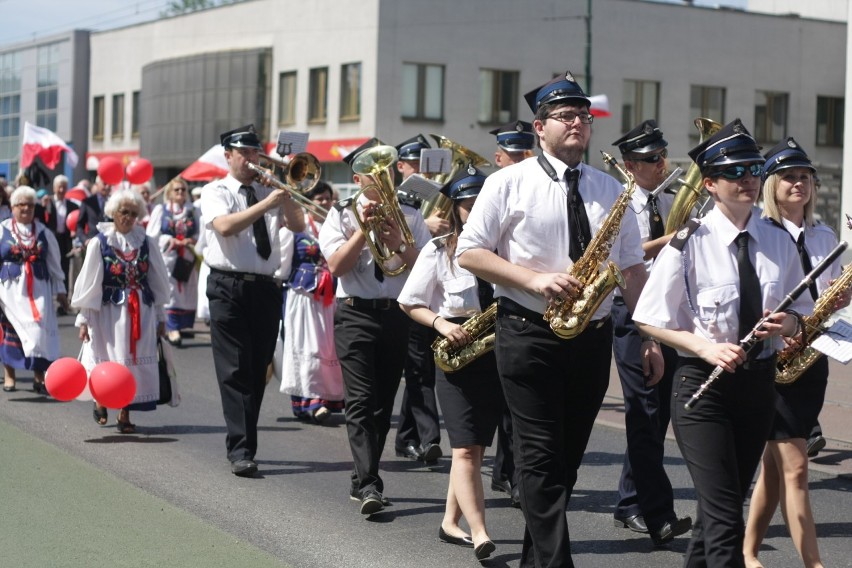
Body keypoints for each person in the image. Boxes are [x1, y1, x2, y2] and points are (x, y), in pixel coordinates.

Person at [456, 71, 661, 567]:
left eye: (583, 117)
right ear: (539, 126)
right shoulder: (508, 182)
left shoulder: (611, 188)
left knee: (565, 461)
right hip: (527, 332)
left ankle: (535, 557)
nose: (577, 124)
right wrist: (533, 280)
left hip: (590, 336)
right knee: (540, 456)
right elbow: (470, 253)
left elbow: (632, 268)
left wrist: (651, 337)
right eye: (565, 116)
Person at [632, 119, 813, 568]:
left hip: (758, 386)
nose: (748, 178)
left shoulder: (779, 240)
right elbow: (649, 318)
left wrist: (788, 323)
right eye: (735, 172)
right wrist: (704, 347)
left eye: (753, 169)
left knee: (725, 506)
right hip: (702, 387)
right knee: (724, 516)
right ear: (710, 183)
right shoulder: (688, 242)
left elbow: (803, 313)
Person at [743, 138, 847, 568]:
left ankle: (747, 552)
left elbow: (833, 297)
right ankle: (814, 563)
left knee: (774, 464)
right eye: (788, 176)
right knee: (796, 467)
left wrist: (841, 299)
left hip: (812, 359)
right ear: (770, 184)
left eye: (805, 176)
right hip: (772, 357)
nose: (798, 183)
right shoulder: (760, 232)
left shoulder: (825, 235)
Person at [318, 137, 430, 515]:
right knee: (361, 401)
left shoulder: (410, 213)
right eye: (372, 172)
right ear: (357, 176)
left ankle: (361, 475)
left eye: (384, 170)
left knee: (382, 405)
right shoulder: (341, 214)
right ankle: (369, 484)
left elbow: (425, 267)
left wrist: (399, 243)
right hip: (355, 313)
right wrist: (360, 234)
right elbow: (336, 266)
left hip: (396, 315)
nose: (380, 179)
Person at [399, 167, 504, 562]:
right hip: (457, 350)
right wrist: (441, 323)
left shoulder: (504, 245)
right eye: (467, 204)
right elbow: (410, 301)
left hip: (495, 350)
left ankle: (448, 521)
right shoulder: (438, 247)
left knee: (474, 450)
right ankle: (480, 532)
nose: (475, 209)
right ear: (456, 208)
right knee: (463, 449)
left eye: (481, 202)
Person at [199, 124, 304, 477]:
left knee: (257, 368)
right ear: (228, 155)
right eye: (243, 153)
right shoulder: (216, 191)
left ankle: (245, 441)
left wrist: (285, 195)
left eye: (254, 152)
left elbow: (298, 225)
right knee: (235, 368)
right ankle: (241, 448)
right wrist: (266, 203)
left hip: (265, 287)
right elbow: (226, 227)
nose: (250, 160)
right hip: (227, 285)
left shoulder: (268, 190)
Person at [609, 120, 692, 545]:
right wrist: (669, 240)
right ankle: (659, 512)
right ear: (628, 166)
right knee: (645, 409)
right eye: (650, 160)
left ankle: (629, 501)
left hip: (670, 312)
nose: (661, 164)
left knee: (655, 414)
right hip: (633, 312)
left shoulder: (672, 201)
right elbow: (624, 259)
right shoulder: (621, 206)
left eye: (662, 156)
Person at [71, 188, 170, 432]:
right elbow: (90, 283)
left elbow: (157, 282)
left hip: (141, 312)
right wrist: (84, 319)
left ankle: (125, 414)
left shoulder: (146, 242)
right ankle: (102, 398)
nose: (127, 217)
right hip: (109, 313)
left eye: (133, 213)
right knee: (109, 358)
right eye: (123, 212)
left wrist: (160, 316)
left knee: (132, 361)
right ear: (113, 213)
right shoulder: (100, 242)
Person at [485, 119, 537, 509]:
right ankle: (504, 468)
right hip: (487, 298)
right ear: (498, 156)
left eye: (524, 153)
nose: (518, 160)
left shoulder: (531, 186)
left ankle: (513, 472)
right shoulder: (495, 188)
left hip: (519, 304)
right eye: (512, 154)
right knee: (499, 398)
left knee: (515, 404)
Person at [393, 134, 443, 464]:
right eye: (416, 165)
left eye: (428, 164)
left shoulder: (430, 198)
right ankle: (429, 438)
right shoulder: (395, 200)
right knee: (418, 368)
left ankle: (407, 437)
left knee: (420, 367)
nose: (423, 172)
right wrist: (426, 224)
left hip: (430, 291)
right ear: (400, 167)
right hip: (402, 291)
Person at [276, 180, 344, 422]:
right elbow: (281, 269)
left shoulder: (338, 226)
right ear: (309, 201)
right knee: (305, 347)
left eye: (328, 198)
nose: (324, 202)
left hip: (330, 297)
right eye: (319, 199)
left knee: (328, 347)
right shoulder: (297, 228)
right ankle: (308, 401)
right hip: (303, 296)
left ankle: (327, 398)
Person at [0, 186, 67, 394]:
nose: (27, 209)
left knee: (39, 333)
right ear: (13, 207)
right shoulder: (2, 229)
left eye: (30, 205)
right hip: (10, 291)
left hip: (39, 291)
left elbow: (55, 263)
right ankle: (10, 374)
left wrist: (62, 292)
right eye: (22, 205)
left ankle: (39, 376)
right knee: (11, 331)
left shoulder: (44, 232)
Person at [146, 177, 199, 347]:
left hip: (187, 258)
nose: (180, 193)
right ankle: (171, 327)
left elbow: (201, 233)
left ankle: (180, 325)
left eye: (183, 189)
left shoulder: (193, 210)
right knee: (170, 291)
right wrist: (170, 240)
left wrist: (191, 241)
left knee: (186, 292)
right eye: (176, 190)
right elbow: (152, 235)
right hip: (168, 258)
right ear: (169, 192)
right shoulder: (161, 210)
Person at [77, 176, 112, 241]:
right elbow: (80, 225)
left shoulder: (114, 202)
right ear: (97, 185)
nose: (107, 187)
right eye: (104, 184)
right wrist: (85, 240)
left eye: (109, 184)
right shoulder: (87, 202)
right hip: (93, 241)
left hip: (110, 242)